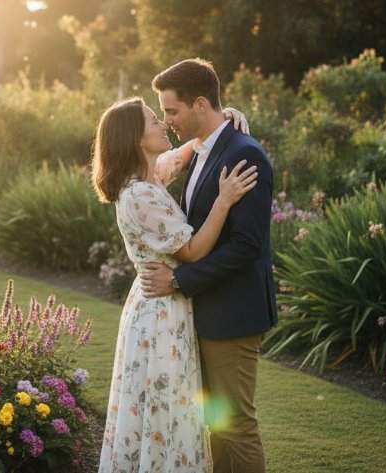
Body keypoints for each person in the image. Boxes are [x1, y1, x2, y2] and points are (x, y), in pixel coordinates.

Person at [92, 96, 259, 473]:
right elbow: (194, 251)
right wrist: (225, 199)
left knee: (161, 408)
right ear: (136, 138)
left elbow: (182, 156)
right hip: (160, 314)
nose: (163, 123)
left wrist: (221, 120)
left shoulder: (145, 178)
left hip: (160, 303)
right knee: (166, 413)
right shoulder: (141, 195)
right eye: (154, 120)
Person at [139, 58, 276, 473]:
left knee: (237, 425)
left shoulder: (245, 154)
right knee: (216, 425)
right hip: (208, 311)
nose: (167, 120)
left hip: (233, 314)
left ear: (200, 103)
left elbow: (246, 246)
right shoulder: (201, 150)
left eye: (171, 111)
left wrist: (180, 279)